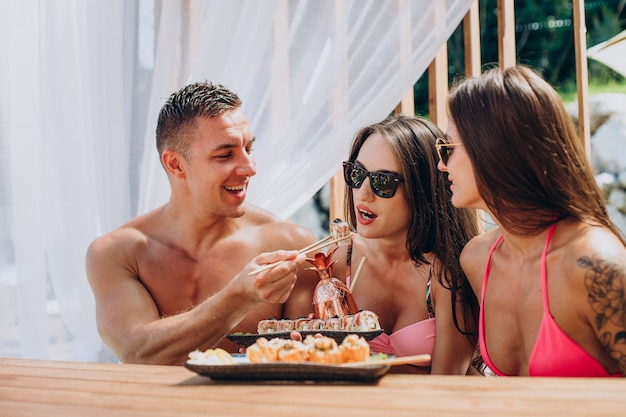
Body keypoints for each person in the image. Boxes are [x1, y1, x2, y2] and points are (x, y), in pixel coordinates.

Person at [86, 81, 320, 365]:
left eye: (249, 148)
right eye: (225, 155)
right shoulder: (117, 253)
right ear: (175, 164)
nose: (250, 168)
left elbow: (309, 364)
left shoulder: (291, 244)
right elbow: (137, 352)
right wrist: (238, 297)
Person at [437, 64, 626, 377]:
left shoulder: (592, 263)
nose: (441, 166)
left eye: (447, 149)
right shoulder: (478, 259)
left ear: (493, 150)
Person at [329, 115, 482, 374]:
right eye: (356, 174)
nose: (363, 193)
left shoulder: (446, 275)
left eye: (383, 182)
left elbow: (447, 386)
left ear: (424, 190)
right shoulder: (338, 260)